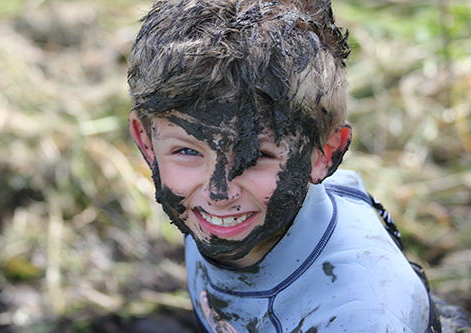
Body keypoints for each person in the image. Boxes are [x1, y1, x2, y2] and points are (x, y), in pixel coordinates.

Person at [126, 0, 465, 331]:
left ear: (325, 154)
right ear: (146, 142)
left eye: (256, 157)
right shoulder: (216, 219)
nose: (218, 193)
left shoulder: (364, 313)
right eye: (188, 152)